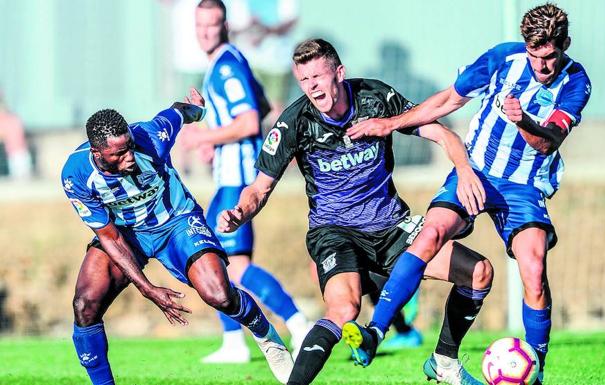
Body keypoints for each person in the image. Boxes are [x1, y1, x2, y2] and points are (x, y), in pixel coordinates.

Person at [216, 38, 493, 385]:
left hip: (393, 227)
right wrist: (240, 211)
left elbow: (442, 133)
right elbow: (259, 188)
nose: (312, 86)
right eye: (304, 80)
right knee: (345, 309)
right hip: (334, 232)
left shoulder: (375, 99)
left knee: (479, 271)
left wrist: (465, 172)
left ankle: (444, 362)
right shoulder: (295, 122)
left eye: (318, 76)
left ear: (339, 73)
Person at [346, 4, 591, 384]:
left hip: (524, 183)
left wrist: (522, 119)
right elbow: (447, 100)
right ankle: (375, 331)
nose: (542, 66)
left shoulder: (576, 81)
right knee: (431, 232)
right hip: (476, 170)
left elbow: (548, 143)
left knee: (534, 268)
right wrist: (390, 123)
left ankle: (536, 372)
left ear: (565, 45)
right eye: (535, 56)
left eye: (550, 57)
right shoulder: (500, 59)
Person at [61, 101, 294, 385]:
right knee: (85, 305)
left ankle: (267, 337)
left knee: (219, 294)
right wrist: (147, 288)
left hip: (176, 222)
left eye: (130, 147)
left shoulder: (150, 136)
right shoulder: (76, 176)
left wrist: (199, 110)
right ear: (97, 153)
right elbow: (109, 237)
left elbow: (178, 112)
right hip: (125, 233)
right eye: (119, 154)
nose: (130, 157)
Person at [182, 0, 310, 363]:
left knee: (226, 265)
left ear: (225, 25)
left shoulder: (225, 68)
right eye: (200, 25)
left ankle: (297, 325)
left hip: (237, 181)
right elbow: (266, 106)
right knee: (219, 262)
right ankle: (238, 340)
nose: (206, 31)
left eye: (213, 24)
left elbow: (252, 121)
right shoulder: (231, 60)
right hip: (231, 176)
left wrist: (204, 138)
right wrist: (217, 139)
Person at [0, 90, 32, 179]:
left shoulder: (9, 120)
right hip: (18, 153)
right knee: (22, 179)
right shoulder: (14, 119)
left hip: (17, 154)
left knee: (21, 180)